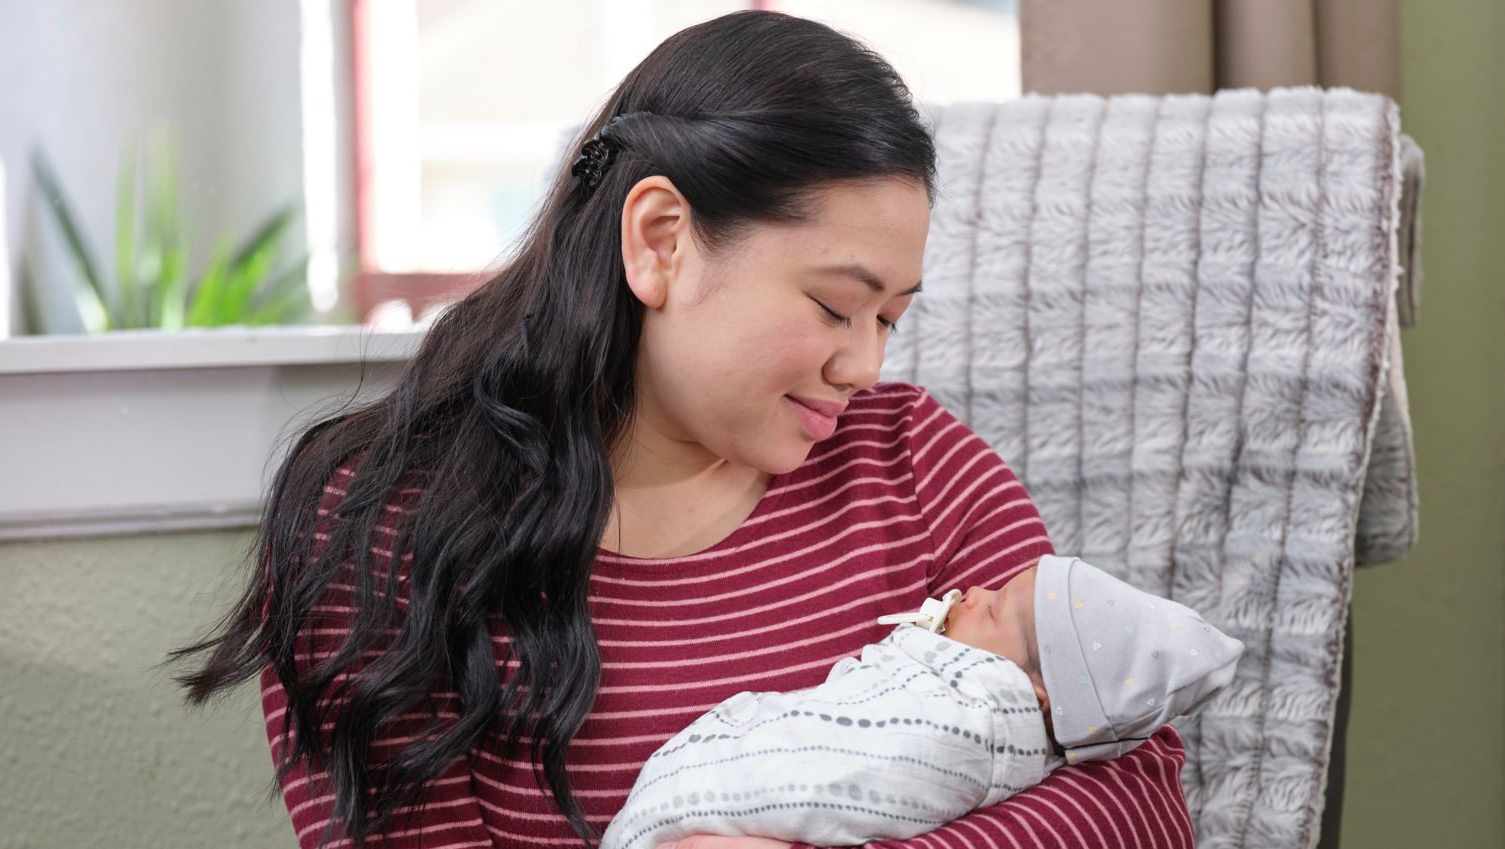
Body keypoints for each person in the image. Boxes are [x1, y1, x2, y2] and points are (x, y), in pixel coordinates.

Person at [169, 10, 1197, 849]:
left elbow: (1142, 794)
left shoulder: (914, 467)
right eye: (838, 307)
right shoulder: (387, 532)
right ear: (662, 241)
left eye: (891, 318)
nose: (866, 365)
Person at [600, 555, 1244, 849]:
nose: (969, 592)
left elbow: (864, 766)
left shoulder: (977, 723)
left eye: (991, 607)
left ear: (1042, 695)